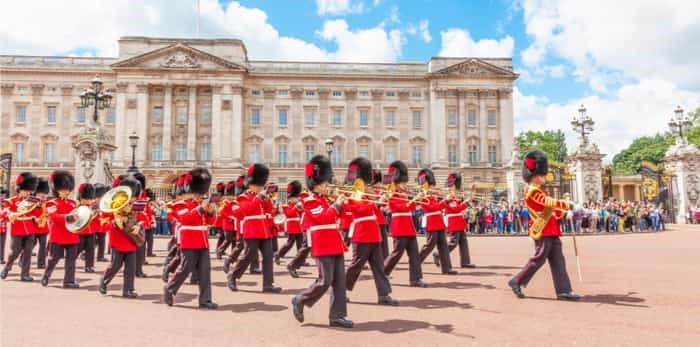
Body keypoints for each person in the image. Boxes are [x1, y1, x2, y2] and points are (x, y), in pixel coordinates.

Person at [508, 150, 580, 301]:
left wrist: (565, 214)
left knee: (559, 261)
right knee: (538, 259)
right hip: (542, 230)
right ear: (535, 175)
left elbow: (549, 210)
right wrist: (568, 204)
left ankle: (563, 291)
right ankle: (516, 280)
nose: (545, 177)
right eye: (542, 175)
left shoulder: (540, 190)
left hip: (551, 229)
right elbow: (549, 203)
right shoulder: (532, 191)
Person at [291, 154, 353, 328]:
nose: (328, 184)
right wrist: (337, 204)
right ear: (316, 183)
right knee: (324, 280)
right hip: (322, 243)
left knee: (339, 282)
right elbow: (324, 218)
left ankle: (337, 316)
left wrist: (342, 201)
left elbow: (343, 214)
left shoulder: (326, 199)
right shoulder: (309, 201)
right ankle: (300, 299)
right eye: (325, 182)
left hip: (334, 242)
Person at [343, 157, 398, 306]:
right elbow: (356, 209)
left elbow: (375, 209)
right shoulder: (355, 193)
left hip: (374, 234)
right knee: (356, 266)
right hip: (361, 234)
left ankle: (384, 294)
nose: (368, 185)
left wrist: (382, 198)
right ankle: (342, 292)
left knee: (379, 266)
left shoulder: (368, 194)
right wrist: (373, 202)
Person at [164, 168, 218, 309]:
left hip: (203, 241)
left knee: (205, 272)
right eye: (199, 192)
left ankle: (205, 300)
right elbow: (185, 219)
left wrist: (211, 212)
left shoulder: (199, 205)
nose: (201, 195)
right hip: (189, 240)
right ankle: (170, 288)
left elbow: (210, 223)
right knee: (185, 268)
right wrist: (200, 209)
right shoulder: (181, 204)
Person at [227, 164, 281, 293]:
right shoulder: (243, 197)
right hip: (252, 230)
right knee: (248, 256)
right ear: (250, 184)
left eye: (261, 185)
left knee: (268, 258)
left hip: (265, 231)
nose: (260, 187)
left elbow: (269, 212)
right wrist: (259, 198)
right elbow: (246, 211)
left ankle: (268, 285)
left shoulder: (264, 197)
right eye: (258, 185)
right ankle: (233, 275)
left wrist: (276, 210)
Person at [383, 160, 427, 287]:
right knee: (396, 254)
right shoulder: (391, 195)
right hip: (399, 227)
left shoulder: (403, 194)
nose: (404, 185)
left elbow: (412, 207)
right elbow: (402, 208)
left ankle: (416, 279)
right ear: (396, 183)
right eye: (402, 183)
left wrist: (415, 197)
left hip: (409, 227)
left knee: (414, 255)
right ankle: (383, 273)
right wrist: (413, 198)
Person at [99, 176, 142, 298]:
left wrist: (138, 226)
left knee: (131, 267)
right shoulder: (110, 208)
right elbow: (103, 227)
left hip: (131, 240)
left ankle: (128, 290)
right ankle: (104, 281)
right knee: (115, 265)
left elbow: (140, 220)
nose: (133, 199)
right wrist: (114, 223)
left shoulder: (133, 207)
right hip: (117, 240)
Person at [41, 170, 81, 288]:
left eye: (68, 190)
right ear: (57, 190)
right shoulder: (51, 203)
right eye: (63, 190)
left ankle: (69, 281)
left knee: (71, 261)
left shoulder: (73, 203)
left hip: (72, 235)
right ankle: (46, 275)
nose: (66, 192)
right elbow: (53, 217)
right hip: (58, 236)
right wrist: (68, 217)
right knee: (54, 259)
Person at [1, 172, 40, 282]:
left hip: (30, 230)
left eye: (29, 191)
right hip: (17, 230)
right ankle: (6, 268)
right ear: (19, 189)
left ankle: (25, 274)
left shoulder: (33, 201)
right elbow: (5, 212)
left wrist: (39, 210)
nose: (28, 193)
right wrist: (9, 214)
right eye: (25, 190)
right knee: (15, 252)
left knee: (28, 253)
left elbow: (37, 214)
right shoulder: (11, 201)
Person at [435, 173, 476, 269]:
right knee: (453, 243)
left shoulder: (455, 196)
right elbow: (455, 209)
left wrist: (471, 194)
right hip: (453, 221)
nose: (457, 188)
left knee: (464, 242)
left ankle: (465, 262)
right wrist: (466, 203)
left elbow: (460, 206)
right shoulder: (449, 197)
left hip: (459, 221)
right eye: (454, 186)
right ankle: (438, 254)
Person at [275, 181, 304, 264]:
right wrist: (296, 206)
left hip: (299, 226)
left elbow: (301, 213)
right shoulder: (285, 203)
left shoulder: (296, 203)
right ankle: (278, 254)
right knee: (289, 243)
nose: (297, 199)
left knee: (300, 244)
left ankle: (300, 259)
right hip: (291, 226)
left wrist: (301, 208)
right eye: (296, 197)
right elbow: (289, 214)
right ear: (291, 197)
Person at [75, 183, 97, 273]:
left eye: (89, 199)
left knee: (90, 249)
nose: (87, 201)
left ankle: (89, 266)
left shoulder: (92, 207)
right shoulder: (78, 207)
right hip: (81, 232)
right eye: (85, 199)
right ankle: (71, 261)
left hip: (91, 231)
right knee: (78, 249)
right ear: (81, 198)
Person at [33, 178, 51, 269]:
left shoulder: (47, 203)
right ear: (36, 194)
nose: (42, 196)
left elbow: (50, 213)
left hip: (43, 227)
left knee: (43, 245)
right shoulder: (32, 202)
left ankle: (41, 263)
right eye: (40, 194)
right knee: (32, 244)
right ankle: (23, 258)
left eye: (43, 194)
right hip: (33, 227)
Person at [216, 181, 237, 259]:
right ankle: (220, 250)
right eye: (229, 195)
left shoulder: (235, 203)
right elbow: (222, 212)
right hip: (228, 224)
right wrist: (230, 217)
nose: (230, 197)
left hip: (235, 224)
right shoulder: (224, 203)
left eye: (232, 195)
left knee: (235, 240)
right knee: (228, 240)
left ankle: (233, 254)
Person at [93, 183, 110, 262]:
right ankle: (85, 253)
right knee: (94, 241)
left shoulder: (104, 202)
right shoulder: (93, 203)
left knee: (102, 241)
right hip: (95, 224)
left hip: (102, 225)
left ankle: (100, 256)